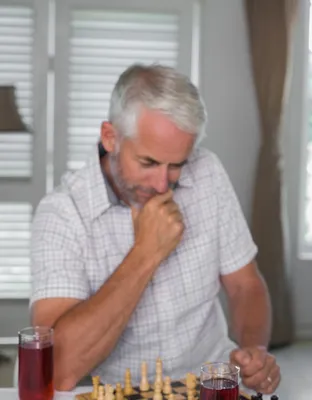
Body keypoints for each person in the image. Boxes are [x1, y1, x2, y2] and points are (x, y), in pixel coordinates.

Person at [29, 64, 280, 393]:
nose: (162, 184)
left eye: (177, 165)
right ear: (110, 137)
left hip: (207, 383)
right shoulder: (62, 213)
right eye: (147, 163)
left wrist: (254, 352)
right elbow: (57, 368)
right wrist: (146, 252)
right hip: (113, 390)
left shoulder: (208, 172)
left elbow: (245, 286)